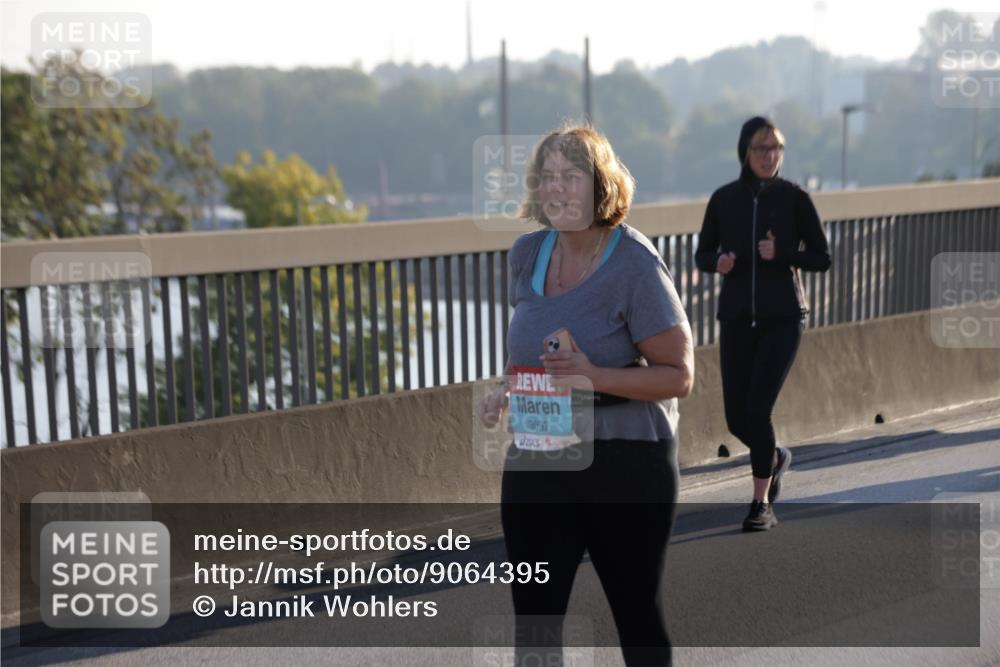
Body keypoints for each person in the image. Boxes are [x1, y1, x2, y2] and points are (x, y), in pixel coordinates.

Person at [477, 124, 694, 666]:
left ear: (600, 185)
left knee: (637, 619)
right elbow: (528, 352)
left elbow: (678, 375)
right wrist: (504, 390)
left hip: (625, 462)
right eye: (548, 177)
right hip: (538, 455)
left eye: (572, 176)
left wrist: (592, 375)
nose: (558, 189)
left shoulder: (633, 263)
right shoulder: (527, 253)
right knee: (536, 626)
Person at [695, 116, 831, 532]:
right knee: (737, 419)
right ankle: (774, 459)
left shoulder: (795, 198)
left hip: (783, 319)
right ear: (745, 152)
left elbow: (822, 258)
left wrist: (784, 252)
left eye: (775, 149)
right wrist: (717, 263)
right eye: (760, 148)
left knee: (758, 409)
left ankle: (760, 504)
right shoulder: (723, 200)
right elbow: (702, 254)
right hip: (737, 318)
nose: (768, 156)